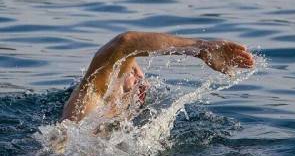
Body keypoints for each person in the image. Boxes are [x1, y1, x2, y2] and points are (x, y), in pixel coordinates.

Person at [61, 31, 254, 123]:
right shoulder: (89, 102)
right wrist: (201, 47)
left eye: (136, 71)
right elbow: (125, 43)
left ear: (140, 94)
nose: (137, 74)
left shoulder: (116, 124)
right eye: (130, 69)